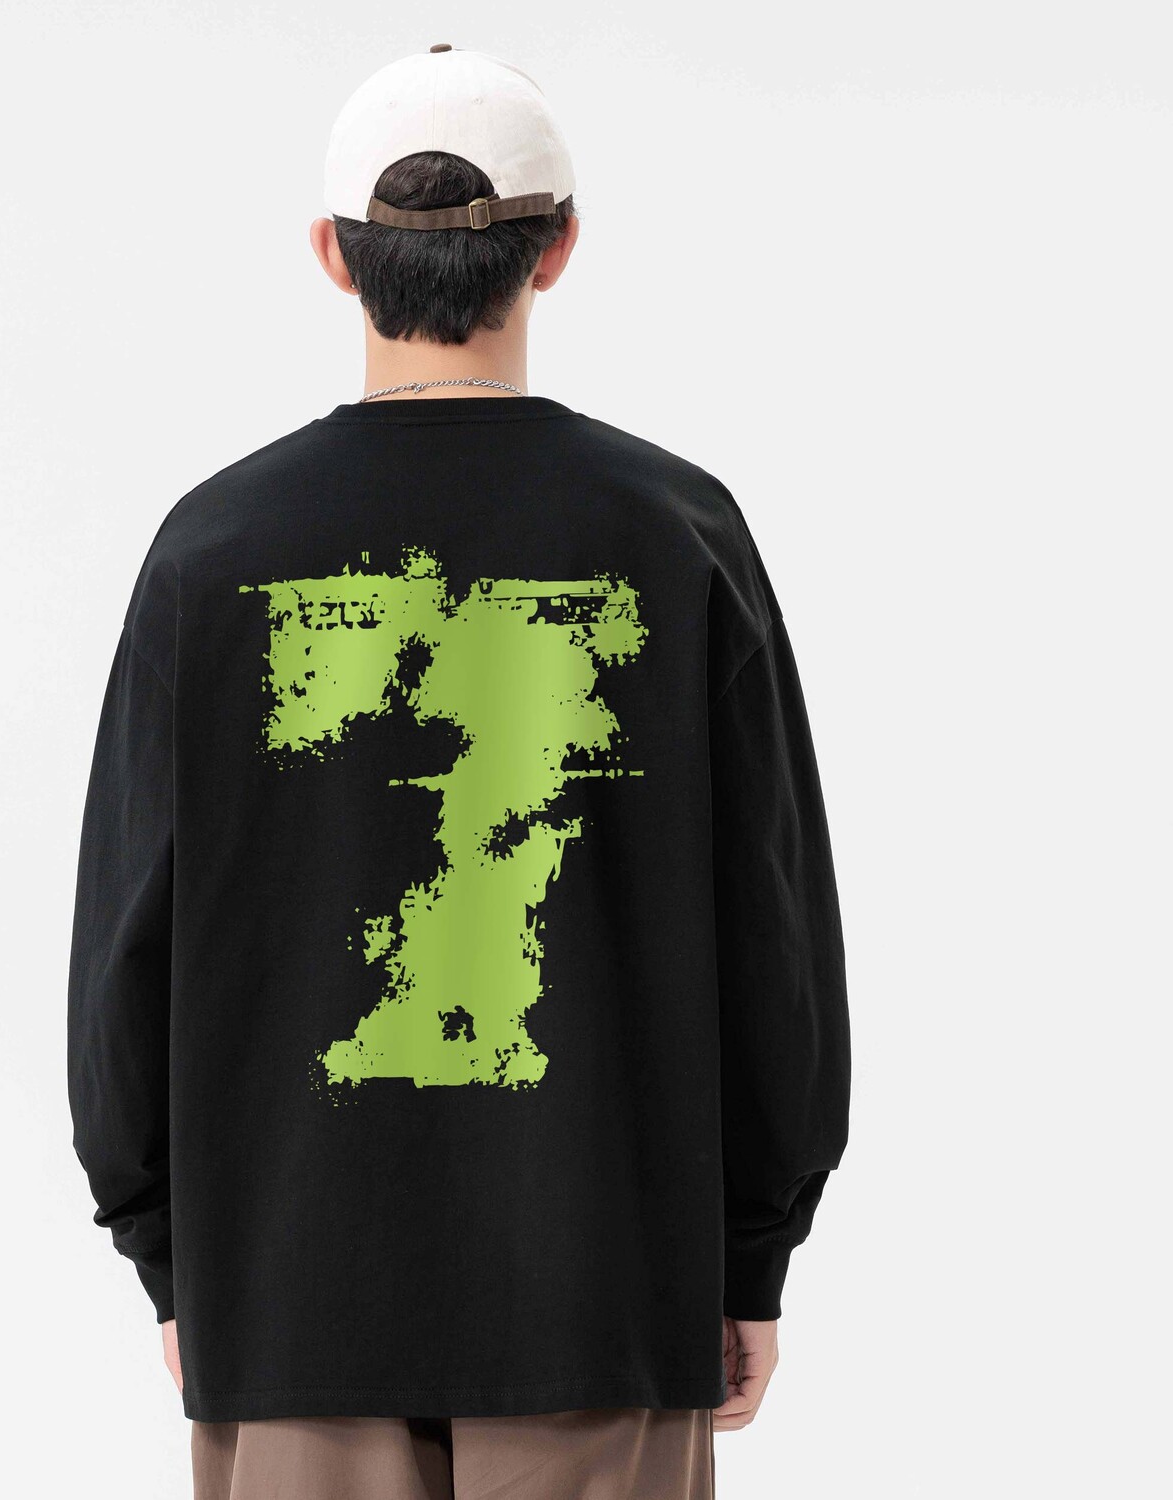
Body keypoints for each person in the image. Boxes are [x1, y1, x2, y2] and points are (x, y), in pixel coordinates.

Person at [67, 43, 850, 1500]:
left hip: (289, 1302)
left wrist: (174, 1261)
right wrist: (752, 1256)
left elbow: (126, 947)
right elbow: (775, 936)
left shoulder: (210, 554)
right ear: (558, 249)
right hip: (606, 1300)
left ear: (332, 256)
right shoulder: (678, 534)